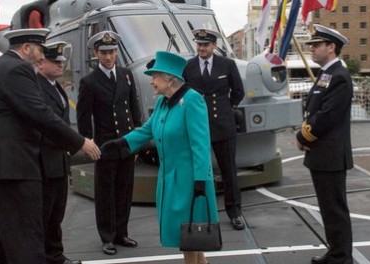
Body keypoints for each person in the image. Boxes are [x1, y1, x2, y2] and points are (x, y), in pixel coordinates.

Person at [0, 28, 100, 264]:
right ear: (26, 48)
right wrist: (80, 142)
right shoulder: (18, 69)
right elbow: (40, 113)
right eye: (39, 50)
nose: (41, 56)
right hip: (13, 168)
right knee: (26, 239)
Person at [101, 51, 219, 264]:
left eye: (154, 76)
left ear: (168, 78)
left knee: (189, 237)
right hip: (169, 179)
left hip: (189, 180)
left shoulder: (192, 100)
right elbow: (147, 130)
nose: (151, 81)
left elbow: (201, 145)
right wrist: (122, 143)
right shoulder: (164, 102)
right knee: (190, 235)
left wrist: (201, 180)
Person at [76, 31, 142, 255]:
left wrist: (138, 138)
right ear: (96, 53)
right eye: (104, 52)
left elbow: (134, 107)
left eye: (112, 51)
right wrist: (88, 143)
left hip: (126, 142)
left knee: (124, 190)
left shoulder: (126, 74)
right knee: (106, 194)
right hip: (105, 145)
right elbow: (84, 117)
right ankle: (107, 237)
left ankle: (121, 233)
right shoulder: (89, 82)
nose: (109, 56)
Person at [296, 24, 354, 264]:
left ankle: (342, 258)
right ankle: (335, 252)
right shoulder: (327, 73)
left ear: (331, 47)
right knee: (328, 209)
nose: (311, 49)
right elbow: (314, 108)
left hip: (330, 155)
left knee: (335, 210)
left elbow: (328, 115)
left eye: (316, 45)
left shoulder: (339, 76)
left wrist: (303, 136)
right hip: (322, 154)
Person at [182, 28, 246, 230]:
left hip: (222, 125)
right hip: (197, 126)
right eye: (199, 44)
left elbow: (238, 91)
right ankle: (197, 211)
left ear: (214, 46)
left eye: (205, 45)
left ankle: (235, 212)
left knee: (229, 171)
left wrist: (228, 109)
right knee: (196, 170)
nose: (201, 48)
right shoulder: (189, 67)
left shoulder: (227, 65)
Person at [34, 41, 81, 264]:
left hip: (60, 160)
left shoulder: (55, 86)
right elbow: (46, 124)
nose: (61, 65)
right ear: (41, 63)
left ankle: (55, 254)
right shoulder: (36, 88)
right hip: (45, 161)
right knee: (45, 214)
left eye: (62, 61)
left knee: (56, 213)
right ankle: (44, 256)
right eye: (56, 61)